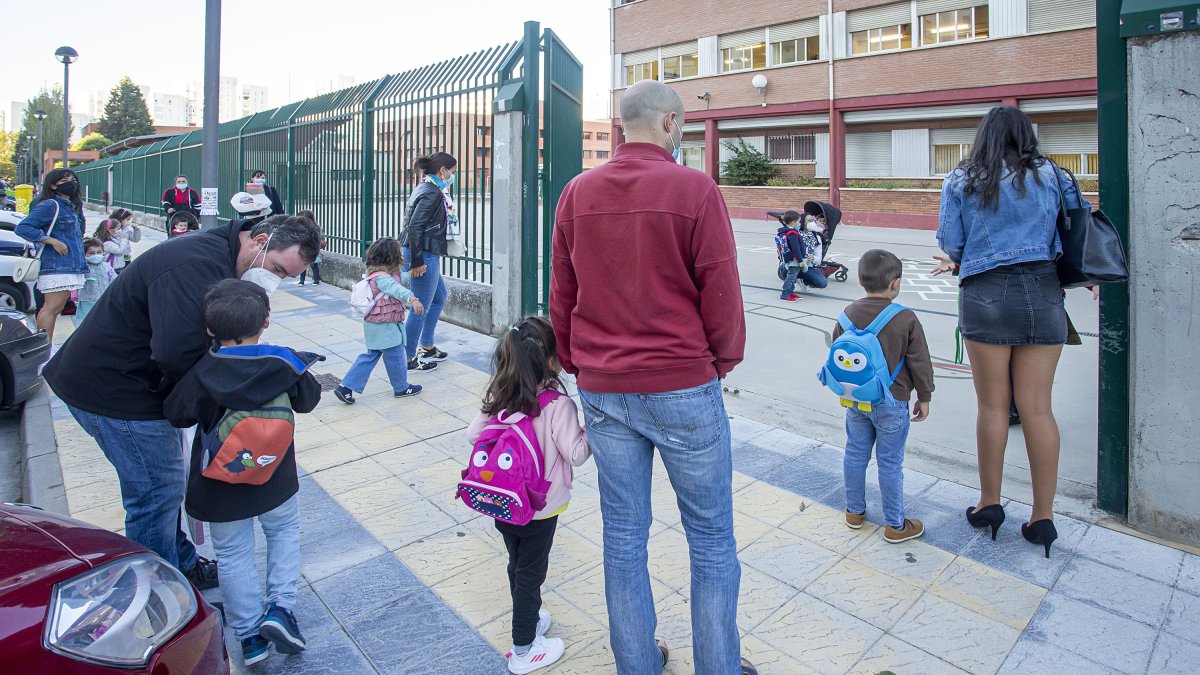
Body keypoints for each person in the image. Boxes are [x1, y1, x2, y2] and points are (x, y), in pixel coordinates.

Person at [549, 80, 755, 675]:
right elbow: (721, 287)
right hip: (682, 382)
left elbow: (563, 289)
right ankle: (718, 665)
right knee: (710, 537)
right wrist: (720, 361)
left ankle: (637, 663)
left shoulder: (577, 193)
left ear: (621, 126)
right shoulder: (695, 189)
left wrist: (577, 360)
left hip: (604, 386)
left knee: (623, 535)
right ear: (670, 123)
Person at [42, 212, 321, 586]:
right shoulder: (194, 265)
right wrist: (215, 397)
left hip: (134, 382)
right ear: (259, 241)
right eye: (277, 269)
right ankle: (159, 591)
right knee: (156, 495)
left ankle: (181, 564)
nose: (275, 280)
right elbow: (178, 353)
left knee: (163, 489)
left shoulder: (222, 257)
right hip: (112, 388)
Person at [935, 105, 1086, 559]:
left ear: (984, 136)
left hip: (986, 294)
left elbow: (952, 243)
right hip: (1044, 293)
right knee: (1038, 410)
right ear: (1027, 136)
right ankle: (1043, 518)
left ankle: (989, 504)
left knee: (993, 406)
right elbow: (1077, 229)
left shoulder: (961, 179)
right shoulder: (1055, 176)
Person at [164, 279, 321, 666]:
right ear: (265, 321)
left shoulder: (203, 371)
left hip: (221, 484)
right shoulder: (283, 362)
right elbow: (309, 399)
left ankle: (250, 637)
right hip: (274, 477)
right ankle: (280, 609)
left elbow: (177, 413)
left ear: (209, 328)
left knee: (233, 554)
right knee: (283, 533)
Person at [464, 316, 591, 674]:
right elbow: (576, 454)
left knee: (517, 564)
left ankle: (530, 619)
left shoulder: (499, 393)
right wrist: (591, 429)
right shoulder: (557, 404)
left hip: (503, 502)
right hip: (540, 508)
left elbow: (474, 436)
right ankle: (524, 648)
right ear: (551, 360)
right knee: (531, 574)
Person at [833, 249, 934, 543]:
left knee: (855, 453)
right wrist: (924, 396)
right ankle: (895, 525)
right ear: (895, 283)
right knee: (889, 462)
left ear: (861, 281)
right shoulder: (905, 318)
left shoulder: (847, 315)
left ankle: (854, 512)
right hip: (893, 401)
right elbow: (920, 362)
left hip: (856, 400)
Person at [332, 238, 425, 404]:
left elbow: (398, 280)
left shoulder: (377, 275)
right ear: (391, 257)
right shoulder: (383, 278)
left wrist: (411, 274)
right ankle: (401, 387)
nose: (402, 255)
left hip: (374, 325)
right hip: (386, 326)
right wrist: (413, 299)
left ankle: (345, 386)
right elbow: (396, 288)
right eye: (399, 253)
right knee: (397, 355)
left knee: (370, 356)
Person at [15, 168, 87, 346]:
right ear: (53, 185)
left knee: (54, 309)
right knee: (51, 309)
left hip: (68, 264)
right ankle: (43, 349)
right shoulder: (50, 205)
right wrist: (52, 241)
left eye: (73, 180)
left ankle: (45, 347)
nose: (71, 184)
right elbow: (23, 228)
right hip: (57, 265)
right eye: (64, 181)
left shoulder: (70, 206)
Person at [401, 153, 455, 372]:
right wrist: (417, 262)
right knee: (419, 307)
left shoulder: (426, 187)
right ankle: (407, 357)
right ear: (442, 170)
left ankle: (427, 345)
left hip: (423, 250)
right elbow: (415, 226)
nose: (452, 176)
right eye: (452, 171)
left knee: (439, 297)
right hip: (422, 253)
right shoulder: (431, 192)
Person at [77, 238, 116, 323]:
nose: (96, 255)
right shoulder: (82, 268)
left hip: (105, 300)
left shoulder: (107, 266)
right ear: (84, 254)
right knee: (89, 322)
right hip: (88, 301)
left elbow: (114, 281)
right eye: (91, 253)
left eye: (99, 252)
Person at [775, 210, 806, 302]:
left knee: (793, 276)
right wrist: (800, 260)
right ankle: (785, 294)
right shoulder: (792, 233)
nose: (799, 224)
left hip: (791, 258)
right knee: (791, 277)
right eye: (798, 222)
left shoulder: (787, 231)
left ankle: (790, 292)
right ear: (793, 222)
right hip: (794, 259)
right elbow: (795, 248)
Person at [296, 210, 324, 285]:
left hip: (312, 249)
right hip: (305, 249)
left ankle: (315, 280)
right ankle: (302, 281)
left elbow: (319, 238)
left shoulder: (315, 228)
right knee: (304, 265)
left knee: (313, 265)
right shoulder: (301, 228)